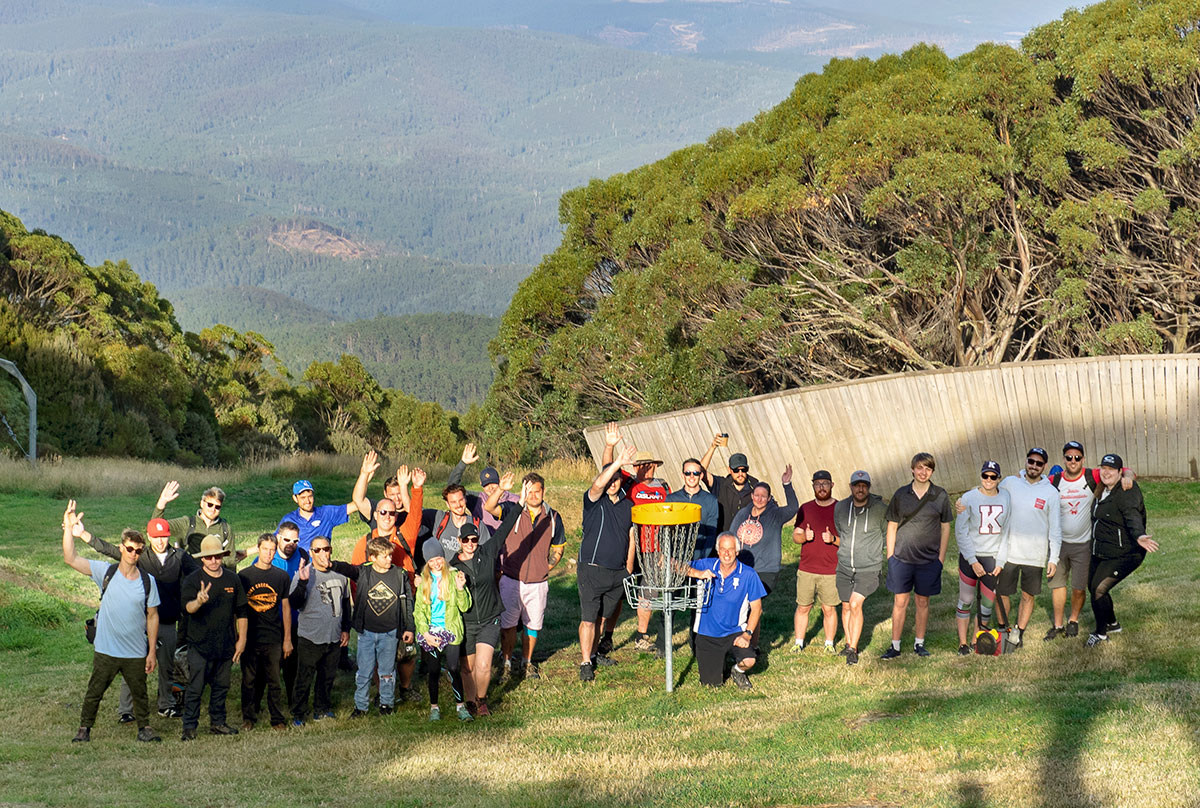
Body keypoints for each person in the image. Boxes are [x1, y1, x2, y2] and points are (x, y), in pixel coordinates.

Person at [62, 501, 162, 743]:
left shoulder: (148, 582)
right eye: (130, 549)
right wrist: (68, 528)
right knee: (94, 692)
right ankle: (84, 730)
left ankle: (144, 729)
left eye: (138, 551)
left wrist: (151, 652)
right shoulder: (105, 572)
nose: (134, 555)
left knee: (140, 693)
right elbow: (70, 558)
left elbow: (152, 616)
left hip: (135, 652)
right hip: (106, 649)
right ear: (121, 548)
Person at [80, 515, 196, 720]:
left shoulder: (179, 556)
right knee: (133, 665)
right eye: (156, 536)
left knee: (166, 666)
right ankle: (126, 710)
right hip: (140, 622)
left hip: (167, 620)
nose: (161, 541)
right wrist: (82, 534)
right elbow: (108, 549)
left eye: (164, 536)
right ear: (150, 537)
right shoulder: (139, 554)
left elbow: (199, 572)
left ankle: (166, 704)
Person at [1044, 442, 1133, 640]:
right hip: (1059, 543)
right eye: (1069, 457)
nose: (1073, 461)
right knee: (1057, 585)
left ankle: (1073, 621)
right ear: (1064, 459)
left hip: (1083, 543)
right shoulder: (1054, 480)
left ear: (1083, 459)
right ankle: (1058, 625)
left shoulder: (1091, 475)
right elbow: (1033, 481)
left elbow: (1124, 469)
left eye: (1077, 457)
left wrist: (1127, 476)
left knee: (1078, 587)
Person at [349, 473, 425, 702]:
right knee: (373, 653)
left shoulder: (404, 537)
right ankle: (381, 691)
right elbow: (355, 576)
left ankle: (405, 687)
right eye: (383, 512)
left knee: (407, 650)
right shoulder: (364, 543)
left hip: (402, 605)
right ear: (375, 515)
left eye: (392, 513)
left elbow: (416, 516)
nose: (388, 517)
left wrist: (416, 489)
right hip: (373, 608)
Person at [483, 472, 566, 680]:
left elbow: (559, 547)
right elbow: (489, 508)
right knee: (508, 625)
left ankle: (527, 663)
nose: (533, 496)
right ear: (524, 491)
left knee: (533, 625)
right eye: (529, 491)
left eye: (537, 491)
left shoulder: (553, 517)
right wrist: (501, 489)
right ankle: (507, 662)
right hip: (511, 579)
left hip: (538, 583)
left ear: (543, 491)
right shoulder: (513, 509)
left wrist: (547, 566)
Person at [882, 452, 954, 659]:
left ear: (932, 471)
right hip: (902, 559)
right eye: (920, 468)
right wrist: (890, 557)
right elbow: (892, 527)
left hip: (928, 561)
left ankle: (919, 644)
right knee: (900, 603)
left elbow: (945, 528)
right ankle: (895, 646)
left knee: (923, 603)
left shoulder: (939, 495)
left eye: (928, 468)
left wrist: (940, 559)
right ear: (912, 469)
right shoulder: (900, 494)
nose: (923, 472)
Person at [335, 537, 415, 718]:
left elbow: (408, 603)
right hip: (367, 633)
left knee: (387, 672)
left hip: (390, 632)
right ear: (372, 557)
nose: (389, 560)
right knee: (364, 672)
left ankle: (386, 704)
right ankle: (361, 706)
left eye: (390, 556)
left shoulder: (399, 575)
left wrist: (409, 627)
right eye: (385, 557)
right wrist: (331, 563)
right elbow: (347, 568)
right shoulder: (364, 572)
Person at [1085, 453, 1158, 647]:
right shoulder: (1101, 488)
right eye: (1103, 468)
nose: (1106, 472)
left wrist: (1140, 535)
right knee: (1092, 586)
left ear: (1119, 471)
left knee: (1099, 588)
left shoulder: (1127, 491)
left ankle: (1100, 634)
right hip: (1101, 551)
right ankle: (1112, 624)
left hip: (1125, 553)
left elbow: (1132, 515)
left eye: (1111, 469)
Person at [578, 445, 638, 682]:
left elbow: (631, 537)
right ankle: (585, 663)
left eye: (617, 479)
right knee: (589, 618)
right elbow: (597, 484)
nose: (613, 483)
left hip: (618, 573)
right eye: (609, 479)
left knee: (604, 617)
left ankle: (594, 654)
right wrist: (615, 460)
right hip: (592, 570)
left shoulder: (628, 506)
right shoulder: (593, 500)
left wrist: (629, 568)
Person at [179, 535, 248, 740]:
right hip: (199, 644)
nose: (213, 561)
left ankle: (218, 722)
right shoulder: (192, 580)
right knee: (195, 687)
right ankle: (189, 727)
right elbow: (187, 609)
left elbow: (242, 611)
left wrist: (241, 640)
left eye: (217, 556)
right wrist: (199, 601)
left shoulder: (232, 579)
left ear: (222, 556)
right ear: (202, 559)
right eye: (209, 557)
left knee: (222, 686)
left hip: (226, 644)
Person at [451, 514, 519, 715]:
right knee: (467, 668)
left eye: (474, 539)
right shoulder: (452, 566)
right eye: (466, 540)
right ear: (459, 541)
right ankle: (470, 702)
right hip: (466, 622)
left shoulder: (487, 553)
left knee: (484, 665)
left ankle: (481, 700)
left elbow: (504, 529)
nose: (470, 543)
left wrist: (521, 503)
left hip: (490, 619)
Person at [996, 447, 1062, 649]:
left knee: (1027, 595)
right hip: (1009, 552)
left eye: (1039, 463)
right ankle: (1004, 629)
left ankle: (1019, 632)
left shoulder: (1051, 492)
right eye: (1031, 461)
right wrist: (965, 501)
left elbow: (1055, 528)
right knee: (1001, 593)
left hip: (1035, 555)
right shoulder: (1010, 483)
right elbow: (988, 492)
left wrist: (1054, 558)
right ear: (1026, 462)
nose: (1034, 466)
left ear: (1045, 467)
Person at [728, 466, 798, 653]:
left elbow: (793, 508)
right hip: (743, 568)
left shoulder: (775, 515)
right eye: (756, 495)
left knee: (752, 606)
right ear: (752, 496)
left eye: (763, 496)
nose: (759, 499)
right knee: (742, 607)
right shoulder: (743, 514)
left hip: (765, 571)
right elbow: (731, 536)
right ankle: (738, 643)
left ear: (768, 498)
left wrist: (787, 484)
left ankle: (752, 645)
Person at [688, 533, 766, 689]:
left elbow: (757, 608)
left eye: (731, 549)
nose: (726, 554)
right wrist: (698, 574)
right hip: (707, 633)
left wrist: (747, 634)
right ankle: (719, 661)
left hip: (734, 633)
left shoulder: (749, 574)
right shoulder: (706, 565)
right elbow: (674, 565)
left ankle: (737, 671)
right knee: (711, 685)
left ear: (737, 551)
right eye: (723, 549)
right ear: (717, 550)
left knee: (749, 661)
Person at [287, 537, 351, 725]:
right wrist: (302, 583)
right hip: (310, 636)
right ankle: (299, 712)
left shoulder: (340, 576)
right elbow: (294, 603)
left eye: (326, 549)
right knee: (304, 676)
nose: (323, 553)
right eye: (318, 550)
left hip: (333, 636)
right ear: (311, 552)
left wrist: (346, 629)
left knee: (327, 675)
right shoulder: (304, 574)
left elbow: (346, 604)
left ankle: (321, 708)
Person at [954, 462, 1011, 655]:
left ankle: (975, 640)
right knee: (966, 599)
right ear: (980, 477)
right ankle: (962, 643)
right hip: (971, 557)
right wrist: (972, 560)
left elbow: (1007, 532)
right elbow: (960, 531)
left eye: (993, 477)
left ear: (998, 479)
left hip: (992, 558)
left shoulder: (1005, 496)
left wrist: (1001, 561)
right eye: (985, 476)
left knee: (987, 603)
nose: (988, 480)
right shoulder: (968, 498)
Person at [414, 538, 474, 722]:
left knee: (454, 668)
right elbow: (418, 612)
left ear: (443, 557)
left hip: (451, 629)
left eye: (438, 558)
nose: (436, 563)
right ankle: (434, 707)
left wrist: (460, 589)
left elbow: (465, 607)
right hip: (431, 632)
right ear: (427, 562)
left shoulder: (455, 574)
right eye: (431, 561)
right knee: (433, 670)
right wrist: (426, 634)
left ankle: (460, 706)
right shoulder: (424, 581)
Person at [831, 470, 886, 665]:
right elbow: (841, 530)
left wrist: (877, 554)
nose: (860, 489)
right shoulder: (841, 507)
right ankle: (848, 644)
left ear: (869, 488)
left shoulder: (880, 508)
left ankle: (853, 649)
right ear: (851, 487)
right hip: (845, 565)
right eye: (857, 485)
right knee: (845, 606)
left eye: (864, 485)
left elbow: (887, 532)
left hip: (868, 568)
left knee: (855, 604)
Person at [238, 533, 292, 731]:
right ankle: (248, 717)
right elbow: (239, 610)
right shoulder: (244, 576)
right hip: (250, 637)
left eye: (272, 550)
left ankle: (277, 718)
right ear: (258, 549)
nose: (268, 554)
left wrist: (287, 639)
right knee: (249, 680)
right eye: (265, 549)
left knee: (274, 681)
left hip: (273, 636)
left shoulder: (281, 576)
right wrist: (239, 638)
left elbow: (285, 608)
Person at [277, 451, 377, 552]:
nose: (307, 501)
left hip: (320, 563)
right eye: (303, 498)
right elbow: (276, 541)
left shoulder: (326, 513)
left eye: (310, 496)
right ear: (295, 498)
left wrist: (364, 477)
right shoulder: (288, 519)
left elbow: (357, 503)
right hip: (297, 565)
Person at [790, 470, 840, 654]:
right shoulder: (805, 508)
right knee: (803, 606)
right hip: (807, 569)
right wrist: (804, 536)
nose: (821, 487)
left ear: (832, 485)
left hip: (831, 570)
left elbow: (848, 539)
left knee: (829, 608)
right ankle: (798, 642)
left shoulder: (840, 509)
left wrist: (833, 539)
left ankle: (829, 644)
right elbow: (795, 535)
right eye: (817, 483)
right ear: (812, 486)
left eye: (825, 483)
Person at [153, 481, 241, 569]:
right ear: (202, 503)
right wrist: (162, 503)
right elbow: (156, 526)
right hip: (189, 576)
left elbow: (230, 561)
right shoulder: (187, 523)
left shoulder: (225, 529)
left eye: (217, 507)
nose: (213, 509)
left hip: (215, 575)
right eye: (210, 505)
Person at [270, 521, 308, 703]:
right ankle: (272, 702)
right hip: (272, 623)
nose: (291, 544)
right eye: (286, 540)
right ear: (278, 537)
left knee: (294, 666)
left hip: (296, 623)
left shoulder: (302, 557)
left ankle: (294, 703)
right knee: (272, 667)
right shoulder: (267, 557)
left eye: (295, 541)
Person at [447, 442, 522, 532]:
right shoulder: (477, 500)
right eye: (486, 485)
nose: (490, 488)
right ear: (481, 485)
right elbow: (452, 489)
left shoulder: (514, 499)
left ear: (499, 481)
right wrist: (463, 464)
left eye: (493, 483)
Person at [698, 432, 759, 532]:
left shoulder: (756, 487)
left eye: (743, 470)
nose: (740, 473)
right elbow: (700, 472)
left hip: (748, 540)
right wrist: (713, 447)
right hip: (725, 539)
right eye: (736, 470)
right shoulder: (721, 485)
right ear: (729, 470)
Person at [665, 458, 719, 560]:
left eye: (695, 473)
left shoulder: (711, 500)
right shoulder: (671, 499)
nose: (692, 476)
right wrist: (669, 557)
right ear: (682, 475)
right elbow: (664, 531)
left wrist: (702, 558)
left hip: (700, 559)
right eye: (688, 473)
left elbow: (711, 533)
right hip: (675, 559)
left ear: (701, 475)